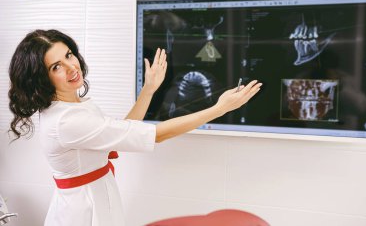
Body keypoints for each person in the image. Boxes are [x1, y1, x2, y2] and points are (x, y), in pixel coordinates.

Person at [8, 29, 262, 226]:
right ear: (42, 79)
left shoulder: (74, 105)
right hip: (83, 212)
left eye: (68, 55)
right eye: (56, 67)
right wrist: (219, 109)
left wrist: (149, 89)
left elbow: (119, 132)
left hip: (95, 198)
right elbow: (157, 134)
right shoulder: (67, 121)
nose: (71, 67)